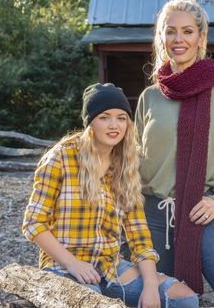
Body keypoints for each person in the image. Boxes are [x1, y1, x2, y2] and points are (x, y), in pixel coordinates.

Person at [22, 83, 199, 308]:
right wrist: (73, 263)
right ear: (90, 123)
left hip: (109, 266)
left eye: (121, 117)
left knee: (183, 298)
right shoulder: (61, 158)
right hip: (64, 267)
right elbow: (34, 224)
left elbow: (139, 234)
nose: (114, 125)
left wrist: (151, 285)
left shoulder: (125, 164)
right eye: (104, 117)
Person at [135, 0, 214, 308]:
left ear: (201, 37)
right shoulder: (150, 96)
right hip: (153, 214)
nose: (179, 40)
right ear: (161, 37)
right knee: (159, 299)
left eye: (187, 31)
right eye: (171, 32)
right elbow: (134, 159)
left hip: (203, 210)